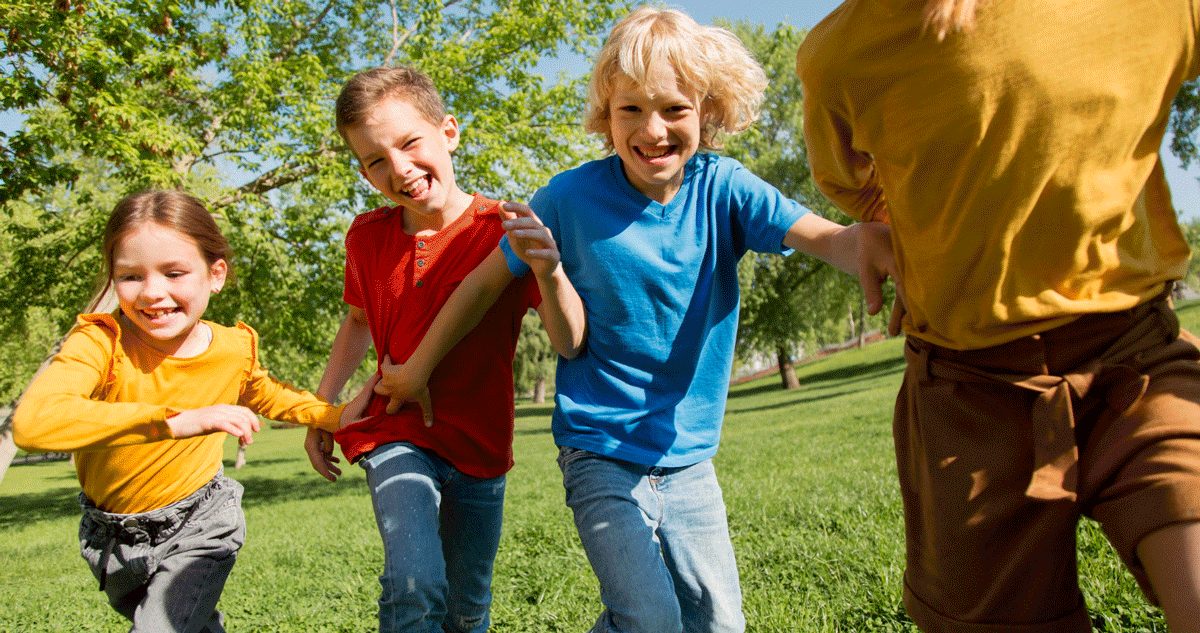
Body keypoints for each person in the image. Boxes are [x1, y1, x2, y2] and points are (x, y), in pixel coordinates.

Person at [371, 7, 897, 632]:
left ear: (707, 109)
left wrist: (866, 243)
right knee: (649, 619)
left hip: (688, 455)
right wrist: (414, 371)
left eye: (674, 108)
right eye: (631, 111)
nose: (653, 130)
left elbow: (825, 237)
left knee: (719, 624)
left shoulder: (723, 187)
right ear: (606, 115)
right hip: (599, 448)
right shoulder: (567, 199)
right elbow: (478, 288)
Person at [798, 1, 1200, 631]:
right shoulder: (842, 52)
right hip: (968, 395)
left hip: (1135, 356)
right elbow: (854, 181)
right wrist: (919, 234)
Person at [301, 66, 586, 633]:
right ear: (362, 171)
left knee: (467, 606)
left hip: (480, 444)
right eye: (375, 160)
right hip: (395, 429)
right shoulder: (367, 236)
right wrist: (322, 407)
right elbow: (357, 320)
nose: (399, 169)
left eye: (409, 143)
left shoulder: (502, 228)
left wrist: (550, 271)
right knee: (415, 583)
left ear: (449, 132)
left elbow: (569, 340)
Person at [11, 189, 370, 633]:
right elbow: (34, 422)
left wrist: (334, 417)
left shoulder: (232, 349)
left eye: (174, 272)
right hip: (114, 540)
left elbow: (269, 395)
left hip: (201, 522)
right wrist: (176, 420)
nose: (152, 293)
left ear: (215, 274)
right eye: (130, 276)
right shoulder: (100, 342)